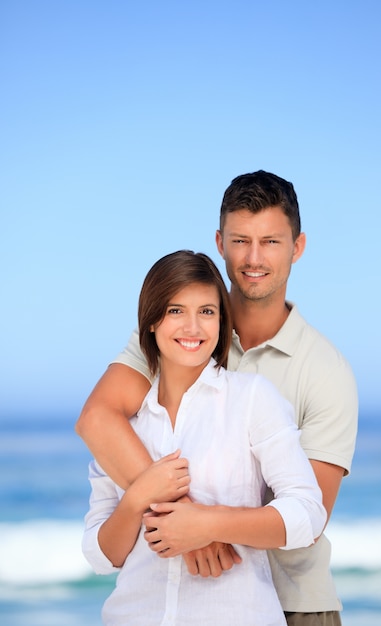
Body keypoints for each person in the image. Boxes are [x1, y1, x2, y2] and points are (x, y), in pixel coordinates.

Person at [76, 171, 358, 626]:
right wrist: (182, 523)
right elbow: (97, 420)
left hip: (294, 599)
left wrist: (203, 526)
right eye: (240, 240)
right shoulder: (173, 337)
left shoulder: (325, 372)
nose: (253, 257)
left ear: (297, 247)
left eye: (270, 241)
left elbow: (309, 518)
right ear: (220, 242)